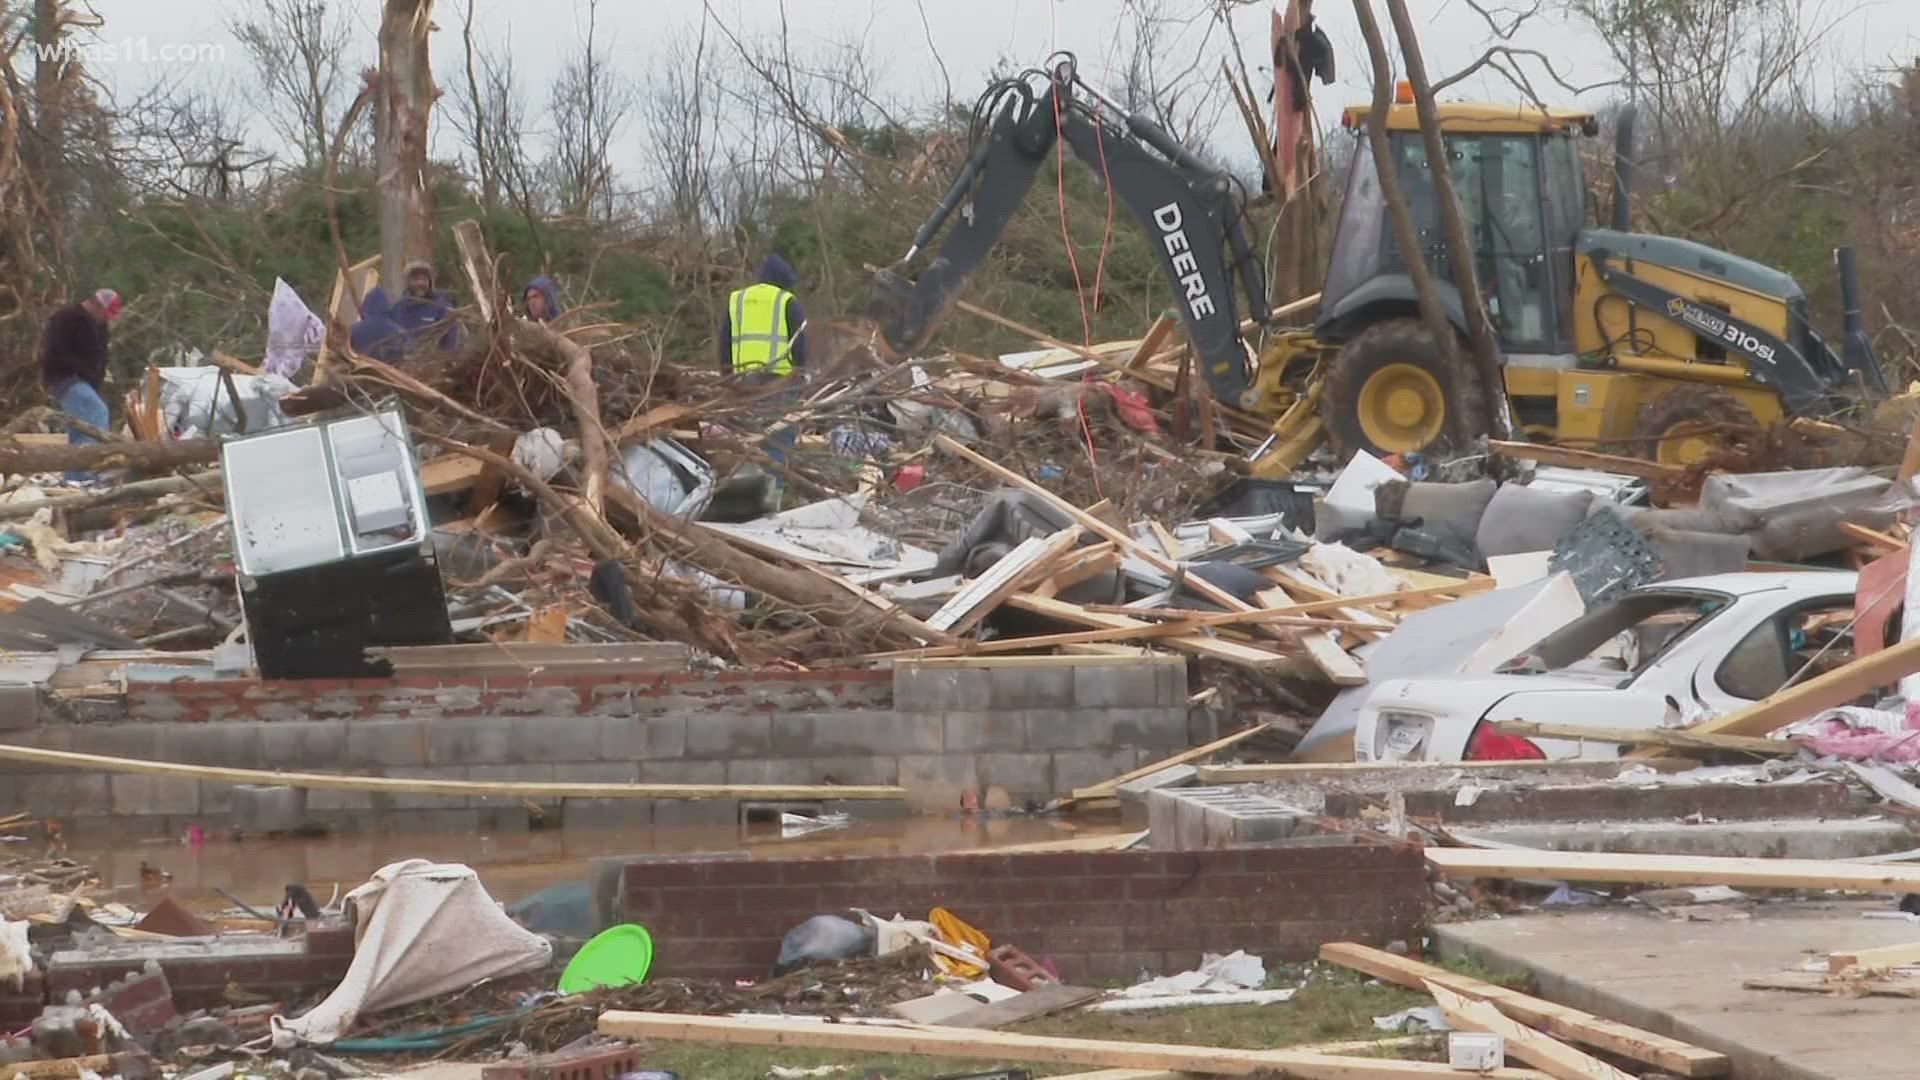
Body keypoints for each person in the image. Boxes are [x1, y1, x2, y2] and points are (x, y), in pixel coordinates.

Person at [720, 255, 808, 491]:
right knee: (777, 443)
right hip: (779, 383)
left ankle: (744, 495)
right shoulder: (788, 302)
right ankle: (772, 496)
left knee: (746, 442)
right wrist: (802, 376)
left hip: (743, 384)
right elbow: (799, 345)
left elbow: (724, 343)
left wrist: (726, 379)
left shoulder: (736, 300)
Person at [39, 288, 122, 484]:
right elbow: (55, 351)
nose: (106, 319)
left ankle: (75, 477)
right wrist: (79, 370)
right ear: (97, 305)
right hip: (66, 377)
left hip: (86, 381)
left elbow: (100, 354)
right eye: (105, 313)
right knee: (96, 412)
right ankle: (86, 472)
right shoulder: (67, 318)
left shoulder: (99, 325)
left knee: (80, 426)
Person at [388, 259, 463, 353]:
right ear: (408, 283)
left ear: (430, 282)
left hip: (434, 360)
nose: (420, 283)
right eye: (415, 279)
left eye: (424, 279)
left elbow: (451, 339)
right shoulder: (398, 308)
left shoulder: (441, 306)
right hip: (403, 361)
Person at [349, 286, 407, 362]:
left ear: (365, 306)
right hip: (389, 371)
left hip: (359, 369)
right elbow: (411, 351)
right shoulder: (398, 331)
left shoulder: (353, 330)